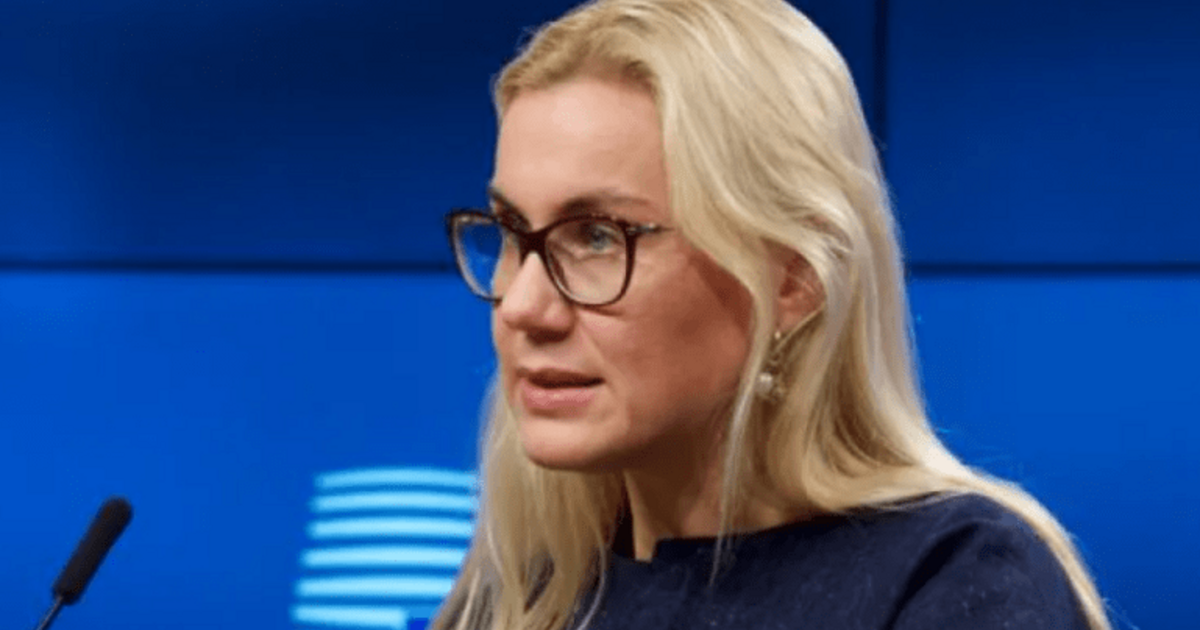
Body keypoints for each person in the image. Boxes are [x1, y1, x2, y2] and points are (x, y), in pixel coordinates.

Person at [437, 0, 1112, 628]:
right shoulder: (516, 598)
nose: (523, 306)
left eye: (596, 237)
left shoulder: (955, 578)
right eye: (512, 230)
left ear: (793, 276)